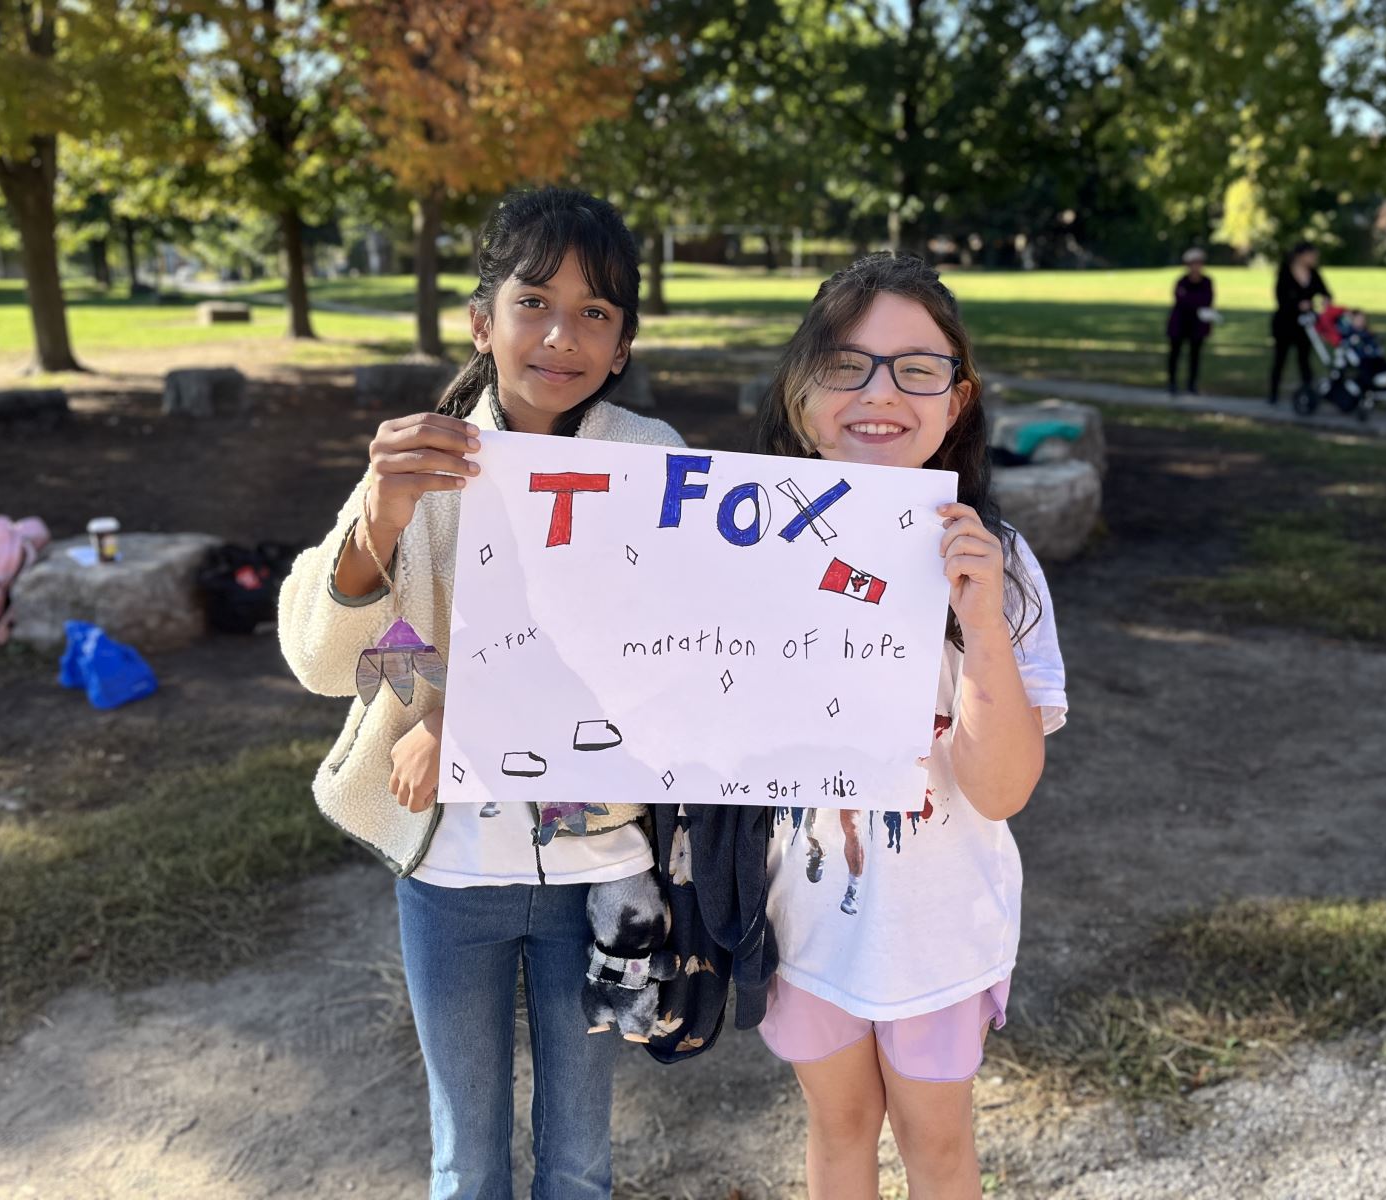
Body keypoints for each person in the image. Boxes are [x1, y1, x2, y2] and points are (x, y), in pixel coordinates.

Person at [278, 187, 685, 1200]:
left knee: (580, 1160)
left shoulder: (653, 463)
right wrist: (378, 521)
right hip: (447, 871)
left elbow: (656, 657)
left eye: (596, 311)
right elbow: (335, 664)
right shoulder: (426, 461)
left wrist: (464, 721)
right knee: (463, 1161)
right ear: (481, 319)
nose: (562, 334)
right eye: (534, 300)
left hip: (596, 867)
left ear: (625, 341)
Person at [751, 253, 1068, 1199]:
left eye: (916, 367)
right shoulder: (741, 548)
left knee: (937, 1147)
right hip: (802, 920)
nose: (879, 392)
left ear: (956, 400)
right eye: (846, 364)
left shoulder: (999, 566)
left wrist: (979, 625)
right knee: (837, 1131)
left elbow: (1003, 787)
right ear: (802, 396)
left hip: (939, 931)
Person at [1269, 240, 1331, 405]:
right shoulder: (1285, 272)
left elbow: (1325, 292)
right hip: (1285, 322)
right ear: (1301, 256)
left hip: (1306, 324)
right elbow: (1280, 297)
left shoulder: (1314, 273)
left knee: (1304, 359)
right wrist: (1298, 304)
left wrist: (1323, 301)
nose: (1314, 258)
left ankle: (1307, 394)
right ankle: (1273, 394)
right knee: (1280, 359)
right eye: (1311, 255)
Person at [1166, 247, 1215, 395]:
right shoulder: (1182, 281)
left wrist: (1191, 301)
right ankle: (1172, 383)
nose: (1196, 266)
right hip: (1180, 323)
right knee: (1175, 353)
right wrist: (1195, 303)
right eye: (1193, 263)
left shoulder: (1206, 282)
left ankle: (1191, 384)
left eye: (1198, 263)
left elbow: (1207, 300)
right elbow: (1181, 300)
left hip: (1197, 325)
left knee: (1195, 356)